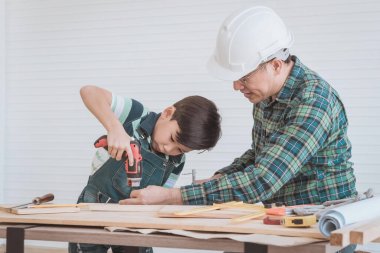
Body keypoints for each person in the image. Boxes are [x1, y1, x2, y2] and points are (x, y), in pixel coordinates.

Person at [120, 6, 357, 208]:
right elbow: (260, 154)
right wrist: (220, 177)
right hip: (284, 218)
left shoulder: (314, 102)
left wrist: (173, 196)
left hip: (323, 222)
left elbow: (263, 179)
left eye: (243, 77)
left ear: (275, 65)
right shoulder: (265, 96)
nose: (236, 86)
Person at [68, 85, 221, 253]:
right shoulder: (136, 115)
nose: (169, 149)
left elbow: (162, 195)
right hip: (94, 204)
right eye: (171, 138)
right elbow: (89, 92)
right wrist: (115, 128)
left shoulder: (178, 161)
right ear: (168, 113)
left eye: (180, 149)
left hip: (136, 216)